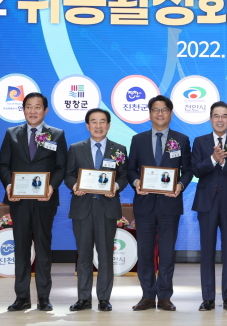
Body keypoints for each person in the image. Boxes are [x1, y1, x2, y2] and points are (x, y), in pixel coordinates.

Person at [0, 92, 67, 312]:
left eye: (37, 107)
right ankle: (22, 297)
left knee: (43, 248)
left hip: (44, 200)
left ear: (45, 110)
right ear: (23, 109)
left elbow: (61, 167)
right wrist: (9, 186)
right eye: (29, 106)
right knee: (21, 248)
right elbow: (3, 165)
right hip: (18, 200)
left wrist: (51, 186)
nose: (33, 111)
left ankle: (44, 297)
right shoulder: (11, 133)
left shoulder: (57, 134)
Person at [127, 95, 193, 311]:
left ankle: (164, 296)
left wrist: (180, 185)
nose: (160, 113)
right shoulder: (138, 140)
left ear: (170, 114)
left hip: (169, 205)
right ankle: (147, 295)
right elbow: (130, 169)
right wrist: (136, 182)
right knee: (145, 252)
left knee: (166, 253)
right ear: (150, 114)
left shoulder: (181, 139)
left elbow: (188, 170)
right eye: (155, 110)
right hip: (144, 204)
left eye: (164, 110)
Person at [65, 109, 129, 312]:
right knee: (83, 255)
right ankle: (83, 298)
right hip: (82, 208)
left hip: (106, 208)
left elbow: (124, 176)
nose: (98, 126)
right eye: (94, 122)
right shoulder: (76, 148)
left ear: (109, 125)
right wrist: (74, 185)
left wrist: (115, 187)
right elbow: (68, 174)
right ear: (87, 125)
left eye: (102, 122)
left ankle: (104, 298)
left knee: (105, 256)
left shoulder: (119, 149)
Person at [191, 101, 227, 312]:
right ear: (210, 118)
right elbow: (196, 170)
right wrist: (213, 159)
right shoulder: (200, 142)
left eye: (224, 116)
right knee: (206, 251)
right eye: (216, 115)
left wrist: (224, 163)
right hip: (206, 202)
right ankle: (208, 299)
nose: (220, 119)